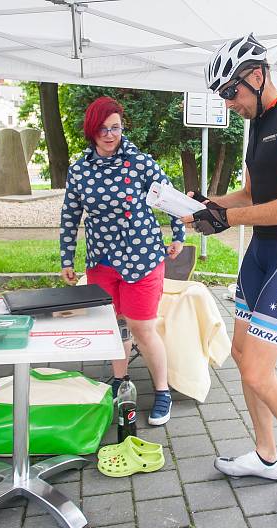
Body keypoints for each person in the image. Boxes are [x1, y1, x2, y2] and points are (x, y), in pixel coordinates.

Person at [183, 34, 277, 505]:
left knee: (260, 372)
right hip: (262, 250)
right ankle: (266, 457)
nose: (229, 103)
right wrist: (204, 206)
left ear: (258, 76)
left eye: (232, 92)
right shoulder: (256, 127)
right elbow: (250, 196)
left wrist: (230, 218)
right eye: (223, 96)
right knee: (243, 359)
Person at [60, 96, 185, 426]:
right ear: (91, 130)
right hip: (102, 259)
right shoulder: (79, 168)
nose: (109, 134)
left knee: (143, 327)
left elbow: (169, 196)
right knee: (113, 325)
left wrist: (178, 236)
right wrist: (66, 258)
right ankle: (120, 380)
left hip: (141, 255)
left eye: (115, 127)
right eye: (102, 128)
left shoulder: (140, 163)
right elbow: (70, 214)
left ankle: (162, 391)